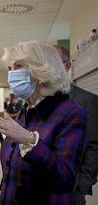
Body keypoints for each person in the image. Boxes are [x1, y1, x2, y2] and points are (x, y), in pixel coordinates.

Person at [0, 41, 87, 205]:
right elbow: (12, 175)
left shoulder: (70, 112)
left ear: (42, 70)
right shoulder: (25, 111)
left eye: (18, 66)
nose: (11, 74)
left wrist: (30, 140)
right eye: (9, 69)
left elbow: (65, 177)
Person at [54, 45, 98, 205]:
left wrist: (82, 187)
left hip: (71, 192)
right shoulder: (38, 100)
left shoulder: (87, 101)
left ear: (67, 66)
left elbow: (94, 147)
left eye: (52, 62)